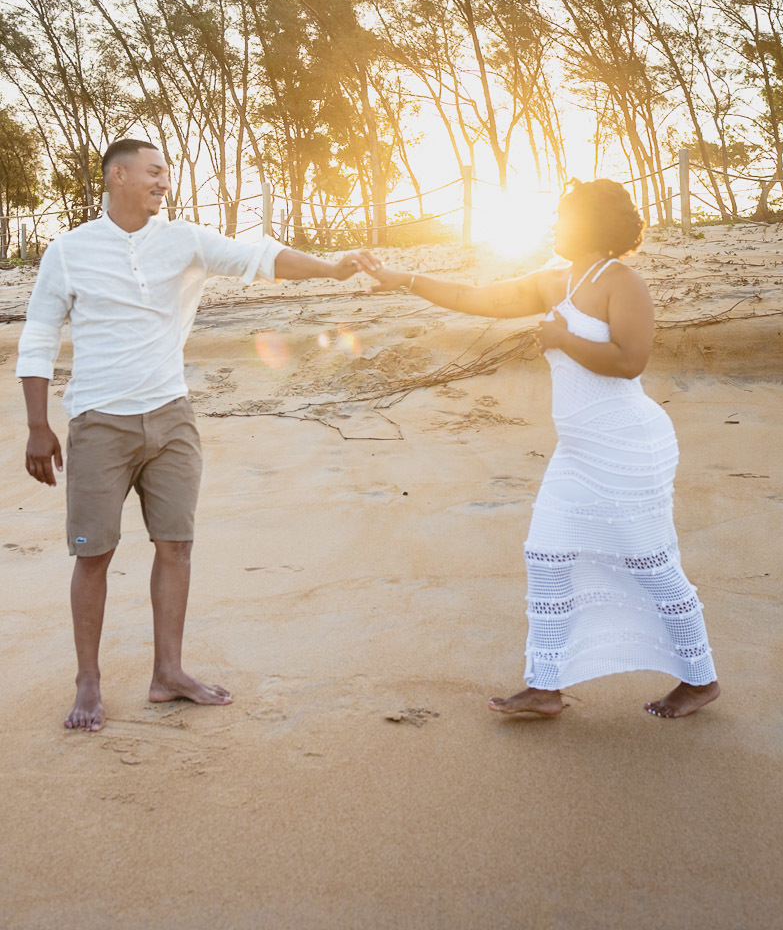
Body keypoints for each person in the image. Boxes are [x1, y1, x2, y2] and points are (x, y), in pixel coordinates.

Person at [18, 139, 367, 733]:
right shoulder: (69, 251)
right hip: (99, 422)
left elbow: (261, 256)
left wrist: (332, 266)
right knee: (95, 555)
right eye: (154, 172)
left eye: (167, 174)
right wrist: (36, 425)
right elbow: (40, 335)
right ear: (118, 175)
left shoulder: (185, 241)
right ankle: (88, 679)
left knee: (176, 545)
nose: (163, 183)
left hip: (172, 417)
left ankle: (168, 674)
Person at [361, 179, 720, 719]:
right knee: (547, 555)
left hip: (626, 445)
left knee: (650, 562)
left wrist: (562, 339)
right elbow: (476, 298)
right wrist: (403, 279)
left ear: (591, 225)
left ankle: (700, 679)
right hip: (577, 451)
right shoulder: (558, 281)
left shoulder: (622, 282)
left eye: (563, 216)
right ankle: (545, 684)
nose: (554, 225)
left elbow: (630, 360)